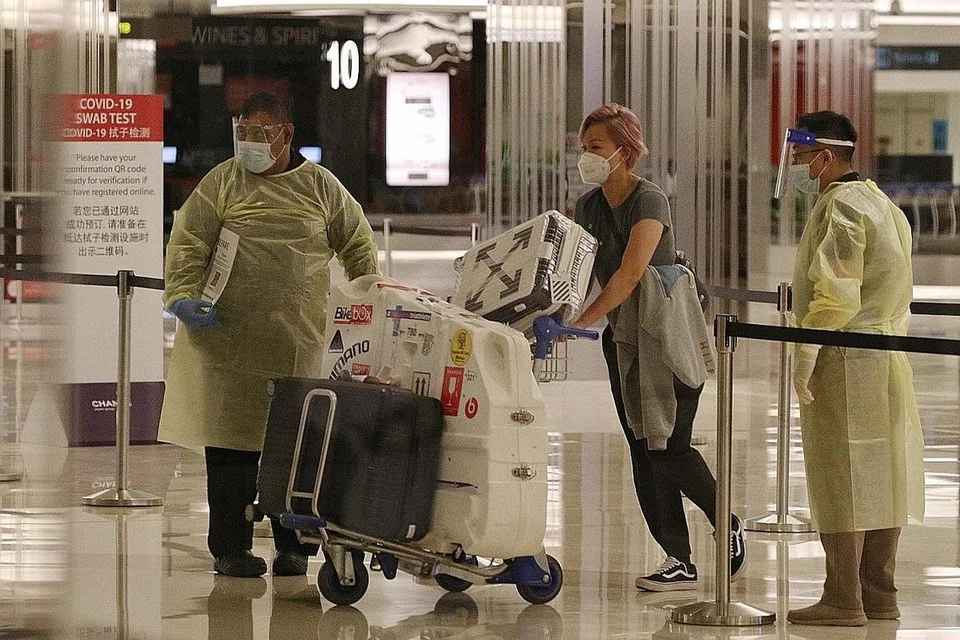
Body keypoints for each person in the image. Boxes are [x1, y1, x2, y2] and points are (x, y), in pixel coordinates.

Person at [159, 91, 380, 578]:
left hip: (296, 345)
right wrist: (182, 294)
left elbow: (358, 244)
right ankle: (230, 548)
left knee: (293, 448)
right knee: (231, 450)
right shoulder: (223, 182)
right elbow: (190, 239)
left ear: (286, 134)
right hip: (228, 345)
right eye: (242, 132)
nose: (249, 142)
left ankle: (294, 546)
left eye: (260, 132)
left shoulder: (321, 187)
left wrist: (370, 300)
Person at [571, 103, 745, 592]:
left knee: (668, 446)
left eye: (596, 147)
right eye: (584, 147)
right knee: (642, 449)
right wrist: (556, 309)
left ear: (625, 151)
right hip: (624, 341)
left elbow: (630, 274)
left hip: (667, 338)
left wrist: (583, 319)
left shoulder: (649, 200)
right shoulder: (588, 207)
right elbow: (578, 268)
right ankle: (678, 558)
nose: (586, 156)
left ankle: (726, 520)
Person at [786, 111, 925, 626]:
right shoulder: (882, 203)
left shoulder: (840, 206)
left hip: (843, 358)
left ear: (826, 156)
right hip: (885, 356)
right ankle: (879, 593)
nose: (798, 168)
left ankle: (843, 596)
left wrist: (806, 351)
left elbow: (836, 292)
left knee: (841, 476)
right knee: (883, 475)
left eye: (802, 157)